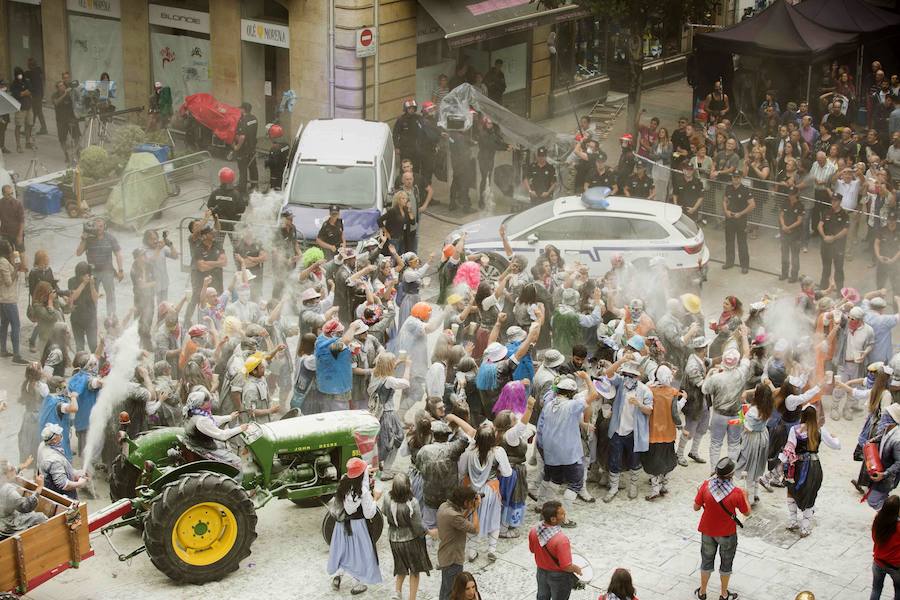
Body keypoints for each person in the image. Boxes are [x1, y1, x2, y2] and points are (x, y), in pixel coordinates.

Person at [693, 457, 750, 600]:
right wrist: (746, 496)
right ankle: (724, 594)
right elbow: (747, 512)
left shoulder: (706, 486)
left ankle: (702, 592)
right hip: (727, 534)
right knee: (726, 564)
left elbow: (696, 507)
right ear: (731, 475)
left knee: (706, 561)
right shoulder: (736, 492)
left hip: (707, 531)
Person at [782, 406, 841, 536]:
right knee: (810, 494)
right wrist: (835, 437)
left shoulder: (795, 429)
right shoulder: (820, 431)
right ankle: (805, 527)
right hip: (814, 467)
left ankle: (793, 521)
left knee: (791, 491)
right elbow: (836, 445)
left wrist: (782, 464)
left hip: (797, 466)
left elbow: (789, 448)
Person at [327, 457, 382, 595]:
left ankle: (338, 575)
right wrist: (375, 498)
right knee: (361, 553)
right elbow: (369, 513)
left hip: (342, 525)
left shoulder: (344, 481)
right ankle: (359, 583)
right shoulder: (362, 491)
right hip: (358, 526)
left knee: (342, 550)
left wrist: (366, 471)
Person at [603, 360, 653, 502]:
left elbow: (649, 411)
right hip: (617, 430)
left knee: (634, 461)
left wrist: (639, 404)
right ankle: (613, 487)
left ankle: (633, 485)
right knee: (614, 460)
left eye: (632, 375)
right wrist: (622, 360)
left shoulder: (645, 390)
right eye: (626, 374)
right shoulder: (620, 385)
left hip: (634, 433)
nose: (628, 378)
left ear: (638, 377)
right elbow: (608, 373)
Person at [702, 333, 751, 470]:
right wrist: (744, 335)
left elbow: (705, 390)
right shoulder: (741, 373)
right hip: (736, 416)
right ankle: (730, 471)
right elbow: (747, 353)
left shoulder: (716, 377)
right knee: (734, 444)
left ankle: (713, 471)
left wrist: (710, 372)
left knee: (716, 444)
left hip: (719, 416)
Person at [382, 473, 433, 600]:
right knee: (414, 571)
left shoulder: (387, 497)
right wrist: (430, 532)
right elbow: (417, 526)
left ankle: (397, 592)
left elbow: (383, 511)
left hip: (393, 539)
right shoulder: (413, 503)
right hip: (411, 540)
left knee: (401, 567)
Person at [181, 385, 246, 471]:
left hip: (200, 444)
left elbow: (213, 420)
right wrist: (240, 429)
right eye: (207, 401)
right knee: (237, 461)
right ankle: (236, 482)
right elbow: (222, 435)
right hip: (204, 449)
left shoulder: (194, 414)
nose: (209, 402)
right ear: (200, 405)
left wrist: (230, 417)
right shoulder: (201, 420)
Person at [643, 365, 684, 500]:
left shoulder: (649, 390)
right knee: (667, 460)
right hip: (668, 433)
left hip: (653, 433)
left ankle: (655, 489)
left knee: (654, 461)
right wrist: (684, 399)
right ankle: (663, 486)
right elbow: (675, 411)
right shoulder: (673, 392)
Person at [528, 500, 583, 600]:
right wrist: (576, 568)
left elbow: (532, 550)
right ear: (553, 519)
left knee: (542, 596)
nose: (564, 514)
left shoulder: (534, 530)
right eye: (562, 514)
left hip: (541, 572)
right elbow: (566, 566)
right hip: (559, 577)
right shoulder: (561, 540)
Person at [437, 484, 480, 600]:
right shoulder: (453, 515)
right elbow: (475, 529)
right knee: (452, 593)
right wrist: (475, 510)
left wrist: (469, 508)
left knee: (445, 590)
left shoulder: (444, 507)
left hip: (445, 555)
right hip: (453, 559)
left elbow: (460, 521)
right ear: (465, 502)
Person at [75, 218, 123, 318]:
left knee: (110, 294)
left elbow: (118, 254)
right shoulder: (89, 238)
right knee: (93, 295)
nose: (99, 228)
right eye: (97, 226)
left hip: (107, 271)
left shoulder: (110, 238)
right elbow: (78, 253)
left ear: (104, 226)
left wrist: (120, 270)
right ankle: (93, 315)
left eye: (101, 226)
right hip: (93, 272)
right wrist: (83, 239)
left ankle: (111, 315)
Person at [37, 423, 88, 500]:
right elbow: (64, 485)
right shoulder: (53, 460)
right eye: (59, 434)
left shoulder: (43, 445)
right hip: (62, 499)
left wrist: (76, 473)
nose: (61, 435)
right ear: (54, 440)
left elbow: (62, 467)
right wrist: (79, 484)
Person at [0, 459, 47, 535]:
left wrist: (23, 466)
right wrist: (39, 487)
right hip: (8, 525)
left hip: (3, 518)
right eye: (11, 469)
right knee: (41, 517)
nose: (14, 469)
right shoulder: (8, 491)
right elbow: (26, 507)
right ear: (4, 475)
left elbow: (12, 471)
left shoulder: (3, 480)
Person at [722, 172, 755, 274]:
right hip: (730, 218)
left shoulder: (745, 190)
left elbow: (752, 205)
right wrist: (726, 211)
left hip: (741, 220)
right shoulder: (728, 188)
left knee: (742, 243)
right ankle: (729, 262)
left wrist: (741, 214)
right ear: (732, 178)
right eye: (734, 177)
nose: (735, 179)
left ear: (740, 178)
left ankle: (744, 266)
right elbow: (724, 200)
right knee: (729, 242)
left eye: (737, 177)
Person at [0, 239, 26, 364]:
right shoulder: (3, 262)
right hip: (8, 299)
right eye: (10, 246)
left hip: (3, 299)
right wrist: (16, 268)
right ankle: (17, 354)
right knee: (15, 325)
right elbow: (8, 282)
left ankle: (3, 349)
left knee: (4, 324)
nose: (12, 248)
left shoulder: (4, 261)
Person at [870, 494, 900, 599]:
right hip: (896, 566)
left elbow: (874, 538)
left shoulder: (878, 520)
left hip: (878, 562)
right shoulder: (898, 527)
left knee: (876, 589)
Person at [51, 79, 80, 163]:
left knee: (76, 136)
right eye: (60, 86)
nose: (62, 87)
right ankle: (66, 154)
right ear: (57, 88)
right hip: (61, 120)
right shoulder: (55, 95)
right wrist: (64, 94)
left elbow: (77, 101)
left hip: (71, 118)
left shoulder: (70, 94)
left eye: (63, 85)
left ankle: (77, 151)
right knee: (62, 139)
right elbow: (56, 102)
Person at [233, 102, 259, 194]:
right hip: (252, 148)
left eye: (240, 108)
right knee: (253, 167)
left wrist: (236, 147)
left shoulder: (242, 121)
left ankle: (242, 189)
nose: (239, 110)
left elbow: (242, 137)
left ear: (243, 109)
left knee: (243, 169)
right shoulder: (254, 118)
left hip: (243, 150)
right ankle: (254, 186)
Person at [779, 190, 805, 282]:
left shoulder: (800, 206)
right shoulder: (785, 202)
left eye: (792, 194)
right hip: (784, 233)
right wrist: (783, 226)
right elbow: (781, 215)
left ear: (796, 194)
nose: (791, 196)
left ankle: (794, 276)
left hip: (795, 235)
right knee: (784, 255)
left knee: (795, 256)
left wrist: (788, 227)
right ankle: (784, 273)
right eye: (790, 194)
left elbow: (799, 220)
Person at [874, 211, 899, 299]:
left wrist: (893, 260)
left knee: (896, 289)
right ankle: (878, 307)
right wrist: (878, 256)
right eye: (890, 220)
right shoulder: (882, 230)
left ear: (896, 220)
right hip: (882, 262)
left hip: (895, 265)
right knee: (880, 287)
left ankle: (897, 311)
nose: (891, 222)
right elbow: (876, 243)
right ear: (887, 220)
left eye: (893, 220)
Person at [0, 185, 26, 267]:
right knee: (9, 253)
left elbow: (22, 221)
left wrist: (20, 236)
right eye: (8, 194)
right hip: (5, 233)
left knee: (21, 253)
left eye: (12, 193)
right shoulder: (0, 203)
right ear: (3, 194)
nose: (11, 196)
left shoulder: (18, 204)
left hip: (16, 233)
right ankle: (13, 269)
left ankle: (24, 270)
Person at [10, 67, 33, 153]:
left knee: (29, 124)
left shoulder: (27, 81)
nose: (19, 75)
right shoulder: (14, 84)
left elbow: (30, 90)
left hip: (29, 106)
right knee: (18, 126)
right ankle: (18, 145)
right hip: (20, 108)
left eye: (20, 73)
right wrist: (24, 93)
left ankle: (27, 142)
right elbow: (16, 95)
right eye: (18, 74)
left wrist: (22, 93)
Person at [25, 58, 47, 136]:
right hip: (39, 95)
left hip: (35, 96)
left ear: (31, 65)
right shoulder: (38, 72)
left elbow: (32, 85)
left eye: (28, 64)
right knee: (37, 112)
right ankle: (43, 128)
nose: (27, 65)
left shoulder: (31, 73)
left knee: (35, 112)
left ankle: (30, 130)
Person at [264, 124, 289, 190]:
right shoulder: (286, 145)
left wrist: (267, 162)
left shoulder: (274, 148)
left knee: (275, 191)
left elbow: (274, 163)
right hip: (284, 171)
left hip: (275, 174)